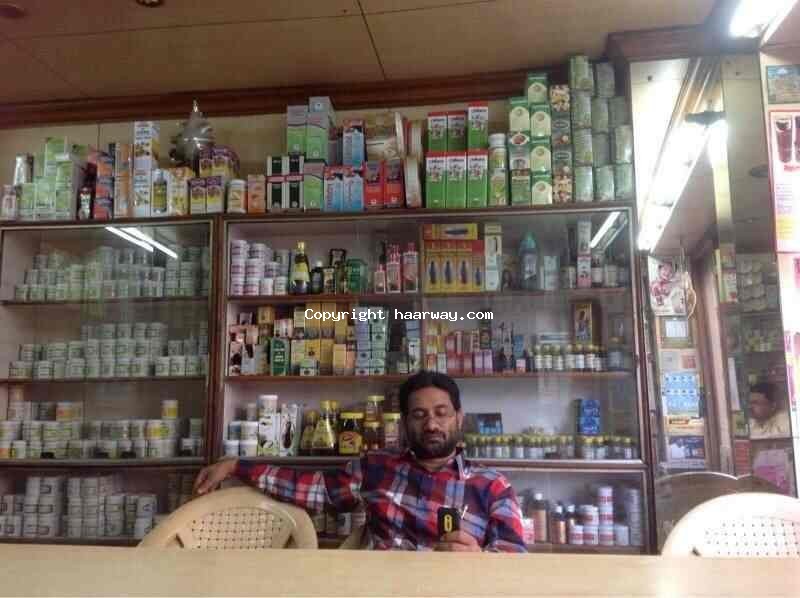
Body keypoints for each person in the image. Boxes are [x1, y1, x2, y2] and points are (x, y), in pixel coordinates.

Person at [194, 371, 526, 552]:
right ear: (405, 422)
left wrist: (478, 560)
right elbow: (312, 489)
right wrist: (237, 466)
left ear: (459, 418)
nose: (431, 425)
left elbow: (515, 558)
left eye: (441, 413)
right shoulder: (377, 468)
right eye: (419, 415)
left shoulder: (492, 486)